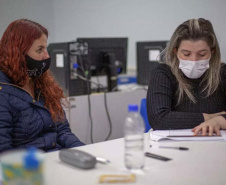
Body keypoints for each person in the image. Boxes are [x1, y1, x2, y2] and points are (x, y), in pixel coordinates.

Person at [0, 19, 84, 152]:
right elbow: (4, 152)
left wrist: (85, 151)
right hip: (28, 167)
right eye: (40, 50)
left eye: (46, 48)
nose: (46, 56)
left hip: (55, 159)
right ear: (18, 54)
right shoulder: (3, 93)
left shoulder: (42, 83)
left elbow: (62, 131)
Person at [147, 18, 226, 136]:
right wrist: (208, 117)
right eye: (186, 54)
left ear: (212, 52)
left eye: (202, 54)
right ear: (175, 51)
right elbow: (159, 119)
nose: (194, 60)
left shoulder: (223, 72)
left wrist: (219, 120)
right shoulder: (163, 73)